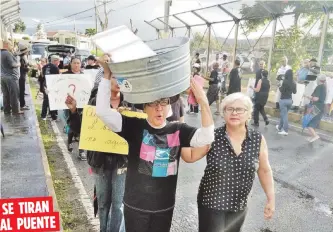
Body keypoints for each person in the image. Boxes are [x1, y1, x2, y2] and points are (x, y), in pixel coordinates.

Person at [95, 59, 214, 232]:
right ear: (145, 107)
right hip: (135, 206)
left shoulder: (179, 130)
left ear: (168, 106)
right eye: (153, 103)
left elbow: (206, 136)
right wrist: (106, 76)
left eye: (163, 102)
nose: (159, 108)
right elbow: (102, 112)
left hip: (164, 208)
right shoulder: (133, 126)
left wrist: (203, 102)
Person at [197, 92, 275, 232]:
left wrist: (271, 197)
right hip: (212, 204)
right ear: (223, 113)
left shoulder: (257, 139)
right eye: (229, 109)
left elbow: (264, 169)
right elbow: (190, 156)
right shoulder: (212, 136)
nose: (234, 113)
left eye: (240, 109)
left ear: (248, 114)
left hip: (239, 206)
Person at [65, 76, 129, 232]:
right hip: (100, 162)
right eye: (114, 77)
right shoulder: (95, 103)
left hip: (122, 163)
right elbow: (81, 129)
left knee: (118, 204)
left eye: (122, 77)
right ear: (106, 81)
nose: (119, 81)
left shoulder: (130, 104)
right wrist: (73, 111)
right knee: (103, 202)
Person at [62, 57, 86, 160]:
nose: (76, 65)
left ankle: (82, 151)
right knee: (72, 125)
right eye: (74, 63)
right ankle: (70, 142)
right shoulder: (65, 75)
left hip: (81, 105)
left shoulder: (84, 76)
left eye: (78, 63)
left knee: (82, 127)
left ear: (81, 65)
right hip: (68, 106)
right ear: (70, 64)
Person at [1, 40, 23, 115]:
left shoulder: (1, 53)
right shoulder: (7, 53)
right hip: (11, 77)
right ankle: (16, 110)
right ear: (7, 45)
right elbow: (12, 64)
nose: (12, 47)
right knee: (14, 94)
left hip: (2, 76)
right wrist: (18, 64)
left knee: (5, 95)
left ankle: (6, 110)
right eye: (11, 45)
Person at [303, 74, 327, 142]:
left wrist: (307, 96)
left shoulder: (319, 87)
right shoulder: (324, 86)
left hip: (316, 107)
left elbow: (316, 98)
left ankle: (315, 136)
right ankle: (312, 136)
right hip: (320, 107)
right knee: (312, 122)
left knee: (310, 123)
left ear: (319, 80)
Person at [276, 69, 297, 136]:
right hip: (290, 101)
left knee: (284, 116)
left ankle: (285, 130)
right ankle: (279, 127)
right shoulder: (294, 82)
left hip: (283, 100)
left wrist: (279, 86)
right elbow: (294, 92)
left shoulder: (285, 81)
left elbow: (281, 90)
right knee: (283, 114)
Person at [40, 55, 60, 120]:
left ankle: (43, 115)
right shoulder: (55, 68)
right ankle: (53, 116)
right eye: (58, 61)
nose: (59, 62)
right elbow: (57, 78)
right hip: (52, 86)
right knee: (52, 101)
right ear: (55, 61)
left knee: (45, 101)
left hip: (45, 85)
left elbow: (42, 77)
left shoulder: (44, 67)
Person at [18, 44, 30, 111]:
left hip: (21, 76)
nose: (28, 52)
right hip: (21, 76)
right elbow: (23, 68)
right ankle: (22, 105)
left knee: (22, 90)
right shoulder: (22, 58)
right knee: (21, 91)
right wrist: (28, 68)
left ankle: (22, 104)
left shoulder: (21, 57)